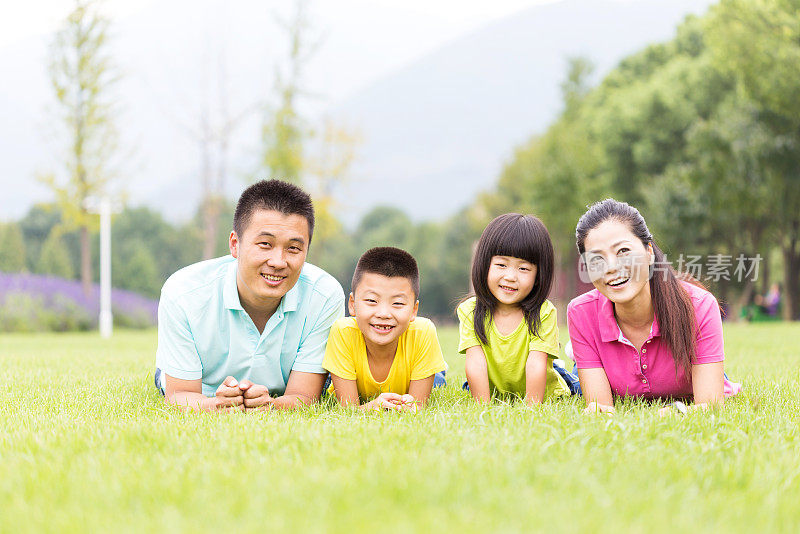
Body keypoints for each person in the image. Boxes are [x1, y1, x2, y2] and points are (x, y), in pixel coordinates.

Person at [154, 179, 345, 411]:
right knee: (167, 377)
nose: (278, 262)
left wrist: (270, 406)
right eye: (265, 244)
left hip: (280, 387)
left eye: (293, 248)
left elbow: (304, 396)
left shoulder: (325, 295)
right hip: (203, 387)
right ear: (235, 244)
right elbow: (179, 394)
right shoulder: (183, 292)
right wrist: (217, 404)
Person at [567, 199, 741, 416]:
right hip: (594, 359)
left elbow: (712, 406)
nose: (611, 267)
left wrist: (677, 412)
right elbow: (601, 409)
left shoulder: (700, 306)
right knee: (573, 384)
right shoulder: (581, 312)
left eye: (622, 251)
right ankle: (579, 358)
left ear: (648, 252)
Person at [457, 213, 576, 405]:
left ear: (538, 275)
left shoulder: (543, 312)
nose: (510, 276)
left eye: (523, 269)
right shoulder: (471, 310)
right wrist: (483, 406)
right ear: (485, 265)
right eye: (501, 265)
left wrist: (531, 408)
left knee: (578, 385)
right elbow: (475, 363)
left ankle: (574, 364)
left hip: (546, 386)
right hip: (497, 389)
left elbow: (536, 365)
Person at [323, 247, 447, 412]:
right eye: (372, 300)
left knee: (437, 380)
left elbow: (417, 407)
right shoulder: (343, 332)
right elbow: (348, 410)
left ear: (414, 310)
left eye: (397, 303)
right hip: (347, 372)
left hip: (414, 373)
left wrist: (410, 406)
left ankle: (438, 368)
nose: (383, 314)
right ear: (352, 304)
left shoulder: (423, 332)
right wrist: (371, 407)